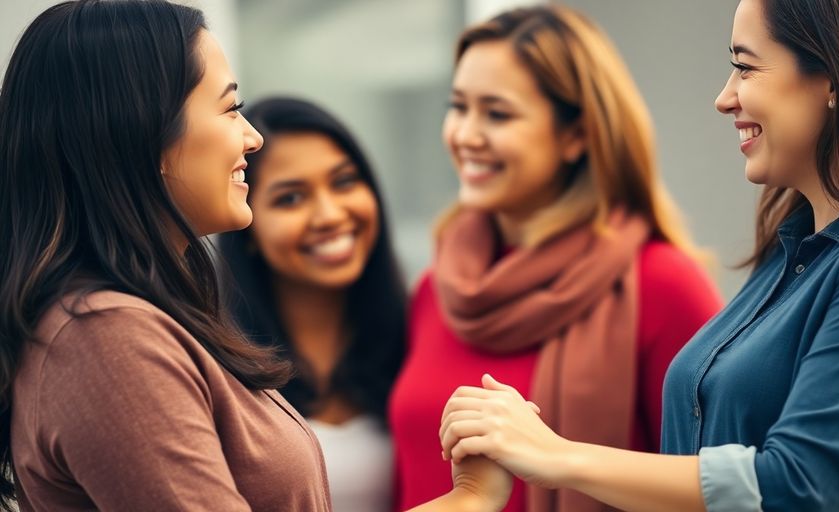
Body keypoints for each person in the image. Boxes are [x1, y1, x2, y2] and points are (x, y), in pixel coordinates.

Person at [439, 0, 839, 511]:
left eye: (745, 66)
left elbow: (796, 485)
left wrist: (554, 456)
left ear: (837, 76)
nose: (724, 98)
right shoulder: (795, 250)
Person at [0, 1, 509, 511]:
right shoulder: (104, 337)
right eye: (228, 108)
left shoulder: (139, 321)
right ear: (141, 132)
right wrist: (470, 498)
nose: (252, 137)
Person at [389, 5, 722, 512]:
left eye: (497, 113)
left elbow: (718, 484)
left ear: (575, 135)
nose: (465, 135)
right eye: (458, 107)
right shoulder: (436, 290)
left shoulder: (662, 284)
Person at [217, 97, 406, 512]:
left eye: (343, 182)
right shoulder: (219, 367)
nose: (329, 215)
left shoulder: (415, 339)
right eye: (290, 198)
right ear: (247, 222)